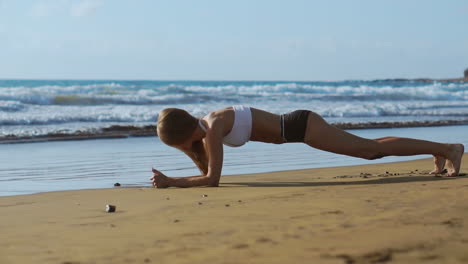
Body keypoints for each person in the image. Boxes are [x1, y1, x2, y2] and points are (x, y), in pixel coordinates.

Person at [151, 106, 464, 188]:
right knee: (372, 147)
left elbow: (212, 180)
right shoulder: (209, 125)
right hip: (299, 127)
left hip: (301, 127)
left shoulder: (212, 129)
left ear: (181, 136)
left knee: (371, 150)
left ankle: (448, 148)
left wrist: (170, 182)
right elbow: (207, 171)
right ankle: (439, 150)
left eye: (175, 144)